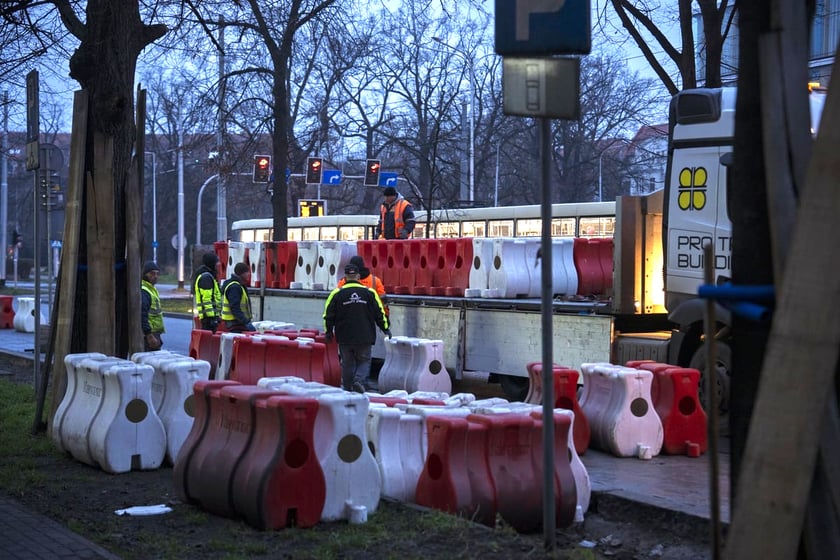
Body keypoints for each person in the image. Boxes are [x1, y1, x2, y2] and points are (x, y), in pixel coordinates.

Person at [323, 263, 391, 393]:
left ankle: (347, 389)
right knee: (364, 361)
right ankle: (358, 382)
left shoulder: (336, 294)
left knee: (347, 363)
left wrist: (328, 331)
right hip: (364, 336)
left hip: (344, 336)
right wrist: (386, 328)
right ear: (358, 276)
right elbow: (379, 313)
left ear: (345, 277)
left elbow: (328, 314)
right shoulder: (369, 293)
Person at [221, 262, 256, 333]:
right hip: (235, 324)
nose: (249, 274)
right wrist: (245, 322)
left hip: (236, 323)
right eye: (247, 272)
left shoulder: (239, 285)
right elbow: (234, 308)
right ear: (241, 274)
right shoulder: (235, 287)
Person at [193, 252, 222, 332]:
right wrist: (212, 318)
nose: (218, 264)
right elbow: (206, 300)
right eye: (217, 262)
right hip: (208, 319)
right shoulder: (206, 277)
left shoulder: (208, 275)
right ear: (212, 263)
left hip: (209, 318)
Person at [140, 261, 164, 351]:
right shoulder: (145, 291)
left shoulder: (152, 290)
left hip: (154, 333)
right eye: (152, 273)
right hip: (149, 335)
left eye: (157, 274)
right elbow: (142, 314)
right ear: (145, 275)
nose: (155, 276)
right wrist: (149, 335)